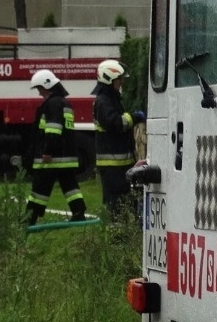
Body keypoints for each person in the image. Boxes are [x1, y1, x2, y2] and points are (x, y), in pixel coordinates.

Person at [26, 69, 87, 225]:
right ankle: (79, 212)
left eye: (39, 88)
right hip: (67, 155)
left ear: (47, 85)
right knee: (70, 186)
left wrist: (47, 151)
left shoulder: (52, 104)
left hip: (53, 157)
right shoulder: (64, 102)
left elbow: (53, 130)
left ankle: (30, 218)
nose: (39, 93)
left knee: (40, 187)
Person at [92, 59, 143, 223]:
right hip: (111, 166)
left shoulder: (111, 99)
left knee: (127, 202)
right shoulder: (103, 102)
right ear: (109, 79)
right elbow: (115, 124)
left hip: (120, 164)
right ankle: (116, 238)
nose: (121, 82)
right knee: (114, 205)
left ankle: (126, 234)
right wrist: (133, 117)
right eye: (119, 79)